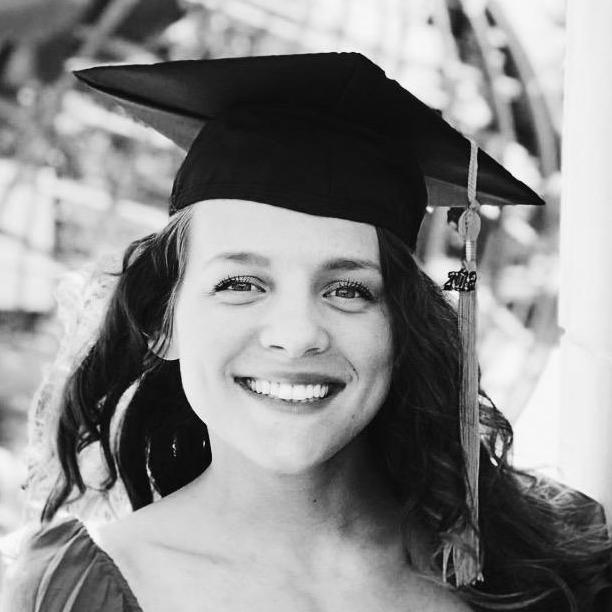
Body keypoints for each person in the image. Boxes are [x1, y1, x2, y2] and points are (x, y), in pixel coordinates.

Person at [2, 52, 611, 612]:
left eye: (349, 290)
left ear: (402, 329)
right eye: (240, 284)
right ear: (164, 321)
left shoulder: (546, 568)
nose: (297, 335)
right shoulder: (77, 590)